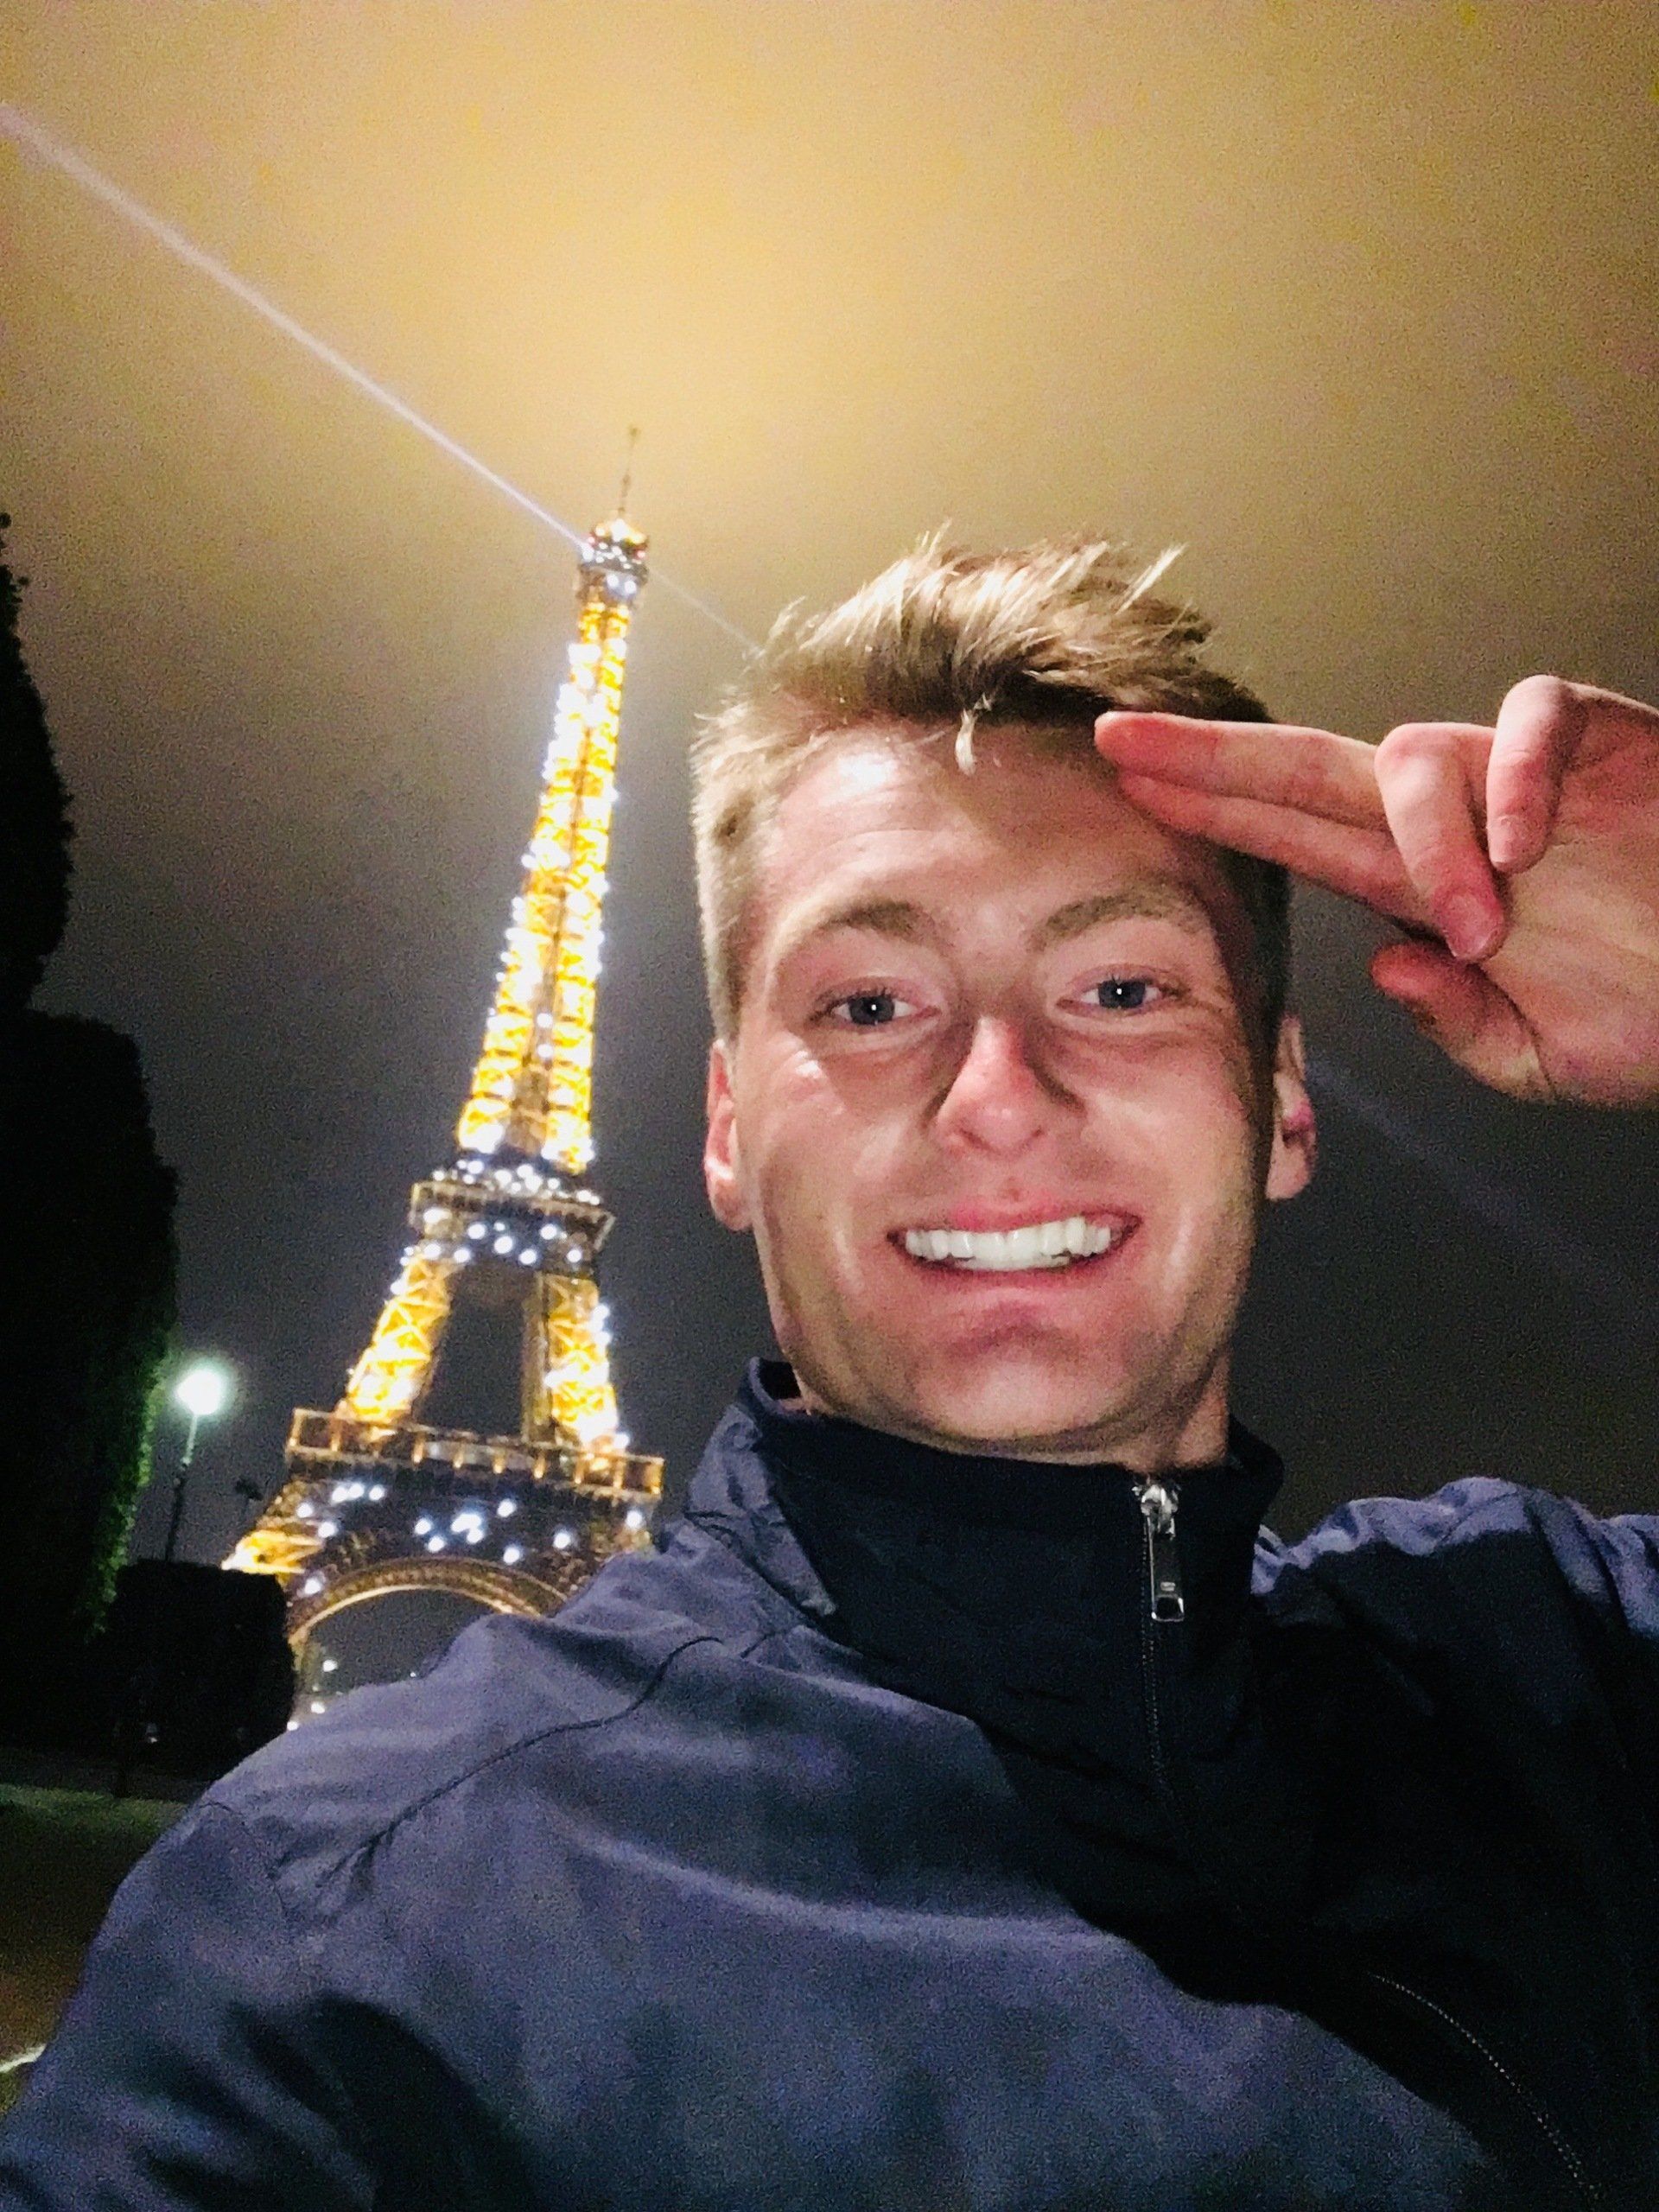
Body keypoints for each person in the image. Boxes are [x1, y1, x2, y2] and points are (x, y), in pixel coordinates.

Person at [3, 537, 1656, 2211]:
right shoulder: (335, 1932)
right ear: (727, 1127)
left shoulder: (1569, 1675)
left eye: (1120, 985)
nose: (995, 1092)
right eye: (872, 1002)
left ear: (1285, 1101)